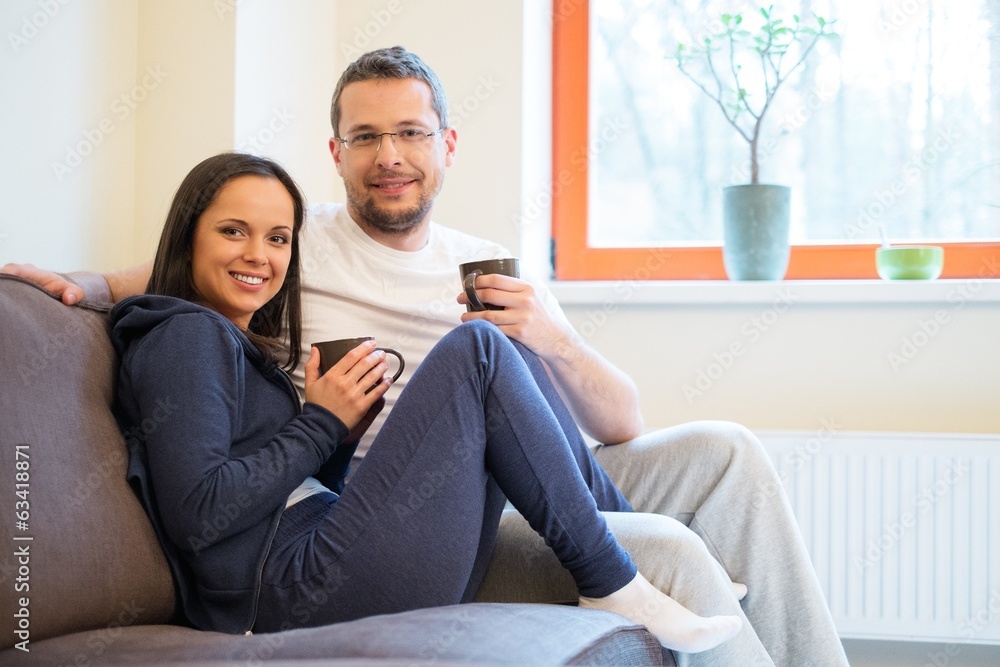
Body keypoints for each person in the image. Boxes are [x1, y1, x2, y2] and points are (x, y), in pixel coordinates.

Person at [3, 47, 849, 665]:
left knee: (725, 446)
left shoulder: (486, 260)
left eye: (410, 132)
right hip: (389, 508)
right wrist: (64, 283)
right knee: (657, 536)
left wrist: (548, 337)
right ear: (337, 154)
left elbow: (623, 419)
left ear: (448, 143)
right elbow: (162, 273)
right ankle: (615, 558)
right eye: (366, 137)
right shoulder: (296, 253)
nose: (391, 156)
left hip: (524, 473)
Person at [110, 150, 743, 654]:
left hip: (317, 560)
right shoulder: (184, 334)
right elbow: (201, 515)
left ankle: (625, 554)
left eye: (278, 238)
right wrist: (319, 422)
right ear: (186, 235)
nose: (259, 255)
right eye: (232, 231)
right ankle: (612, 581)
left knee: (508, 350)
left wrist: (344, 430)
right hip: (287, 594)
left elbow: (282, 491)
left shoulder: (228, 340)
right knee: (478, 347)